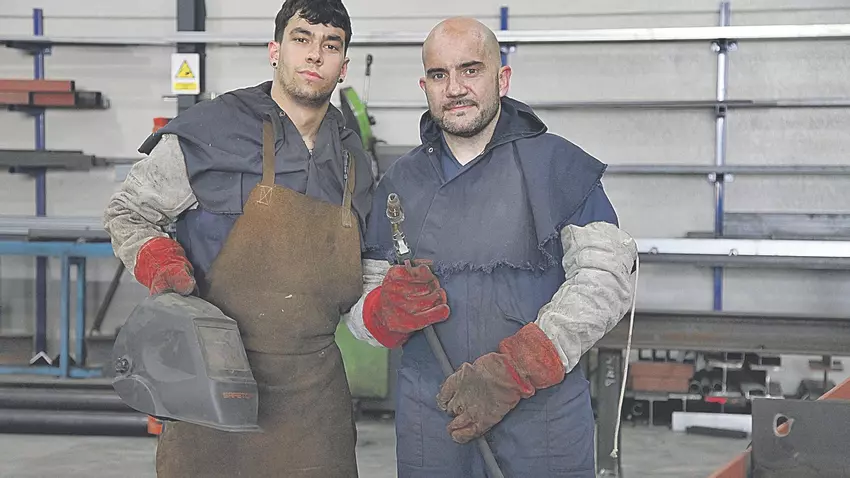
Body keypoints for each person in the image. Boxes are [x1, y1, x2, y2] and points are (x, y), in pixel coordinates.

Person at [342, 17, 638, 477]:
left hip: (543, 425)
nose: (454, 88)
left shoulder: (557, 166)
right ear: (425, 86)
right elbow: (358, 304)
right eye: (439, 75)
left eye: (470, 70)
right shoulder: (399, 182)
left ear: (502, 78)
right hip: (434, 423)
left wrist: (517, 367)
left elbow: (606, 281)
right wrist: (383, 311)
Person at [102, 1, 373, 476]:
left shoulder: (353, 160)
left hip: (315, 400)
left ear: (343, 66)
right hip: (211, 386)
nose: (315, 54)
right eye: (301, 39)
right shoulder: (213, 129)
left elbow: (364, 272)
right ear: (275, 50)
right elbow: (128, 210)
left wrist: (381, 309)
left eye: (330, 45)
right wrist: (158, 259)